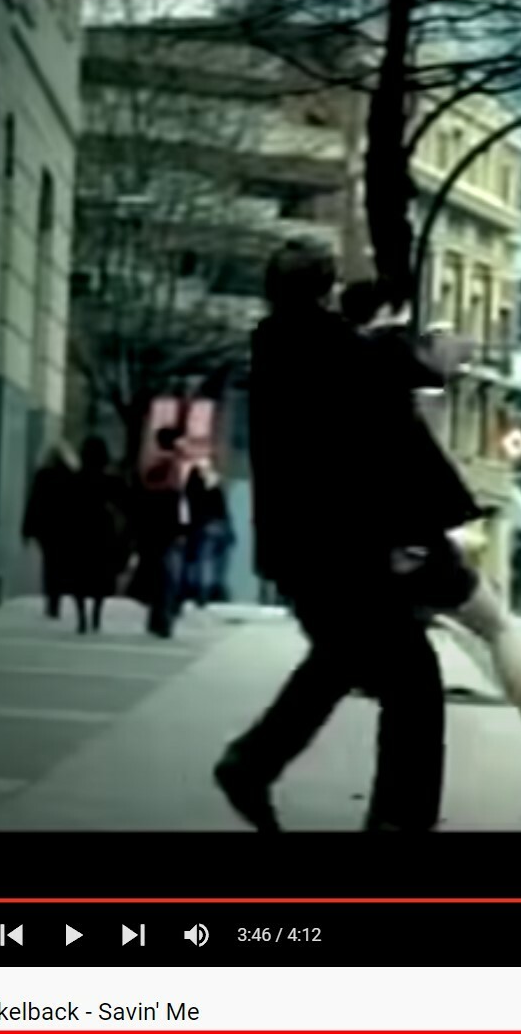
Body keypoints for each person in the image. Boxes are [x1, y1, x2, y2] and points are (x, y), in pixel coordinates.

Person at [214, 245, 456, 832]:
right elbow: (401, 382)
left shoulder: (276, 344)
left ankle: (253, 763)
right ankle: (396, 819)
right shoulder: (330, 348)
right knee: (413, 684)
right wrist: (396, 332)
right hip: (343, 554)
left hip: (302, 552)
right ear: (325, 289)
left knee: (339, 662)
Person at [341, 277, 521, 799]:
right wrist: (439, 338)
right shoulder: (381, 353)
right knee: (496, 628)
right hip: (409, 540)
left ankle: (388, 799)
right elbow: (434, 369)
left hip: (366, 546)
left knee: (403, 670)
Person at [65, 437, 128, 634]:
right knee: (100, 574)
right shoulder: (111, 480)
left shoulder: (74, 479)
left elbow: (64, 508)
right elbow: (124, 505)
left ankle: (81, 617)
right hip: (102, 531)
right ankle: (96, 615)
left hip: (79, 530)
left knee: (79, 575)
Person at [137, 427, 189, 638]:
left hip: (154, 527)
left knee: (159, 575)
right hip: (167, 528)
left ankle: (156, 618)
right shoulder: (169, 464)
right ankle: (163, 620)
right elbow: (173, 498)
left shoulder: (154, 462)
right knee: (168, 577)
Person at [22, 442, 79, 620]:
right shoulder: (71, 476)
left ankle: (52, 601)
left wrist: (27, 529)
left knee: (49, 564)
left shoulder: (42, 475)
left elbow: (34, 502)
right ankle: (58, 597)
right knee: (61, 564)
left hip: (46, 528)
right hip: (65, 528)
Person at [183, 458, 233, 606]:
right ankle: (212, 588)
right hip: (220, 525)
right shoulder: (214, 483)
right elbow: (222, 508)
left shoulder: (194, 484)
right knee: (215, 560)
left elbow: (191, 507)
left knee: (205, 559)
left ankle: (203, 591)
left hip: (205, 524)